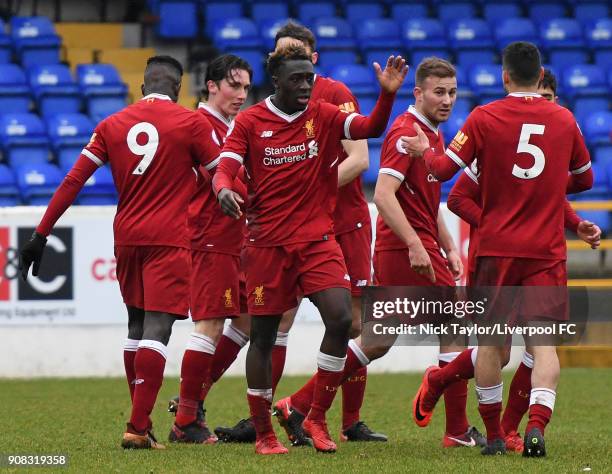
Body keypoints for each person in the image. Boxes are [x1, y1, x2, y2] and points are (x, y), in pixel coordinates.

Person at [19, 56, 221, 450]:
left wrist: (40, 235)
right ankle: (136, 426)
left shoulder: (111, 125)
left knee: (135, 327)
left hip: (126, 237)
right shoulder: (191, 122)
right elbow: (222, 175)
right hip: (169, 238)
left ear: (142, 89)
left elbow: (73, 179)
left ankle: (141, 427)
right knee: (158, 329)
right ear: (178, 90)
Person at [213, 45, 407, 454]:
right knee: (263, 337)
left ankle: (316, 416)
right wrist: (223, 189)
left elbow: (371, 127)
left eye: (309, 78)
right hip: (266, 246)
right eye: (297, 79)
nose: (306, 86)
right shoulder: (250, 121)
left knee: (340, 319)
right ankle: (264, 433)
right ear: (277, 81)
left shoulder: (324, 115)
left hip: (318, 241)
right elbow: (226, 167)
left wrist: (387, 93)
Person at [402, 42, 593, 456]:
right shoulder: (564, 119)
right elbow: (585, 179)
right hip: (544, 252)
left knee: (492, 344)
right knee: (543, 346)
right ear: (540, 77)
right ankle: (536, 427)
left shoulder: (484, 117)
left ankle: (492, 435)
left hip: (496, 251)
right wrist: (546, 188)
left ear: (505, 77)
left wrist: (421, 153)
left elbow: (441, 173)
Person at [168, 54, 252, 444]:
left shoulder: (232, 128)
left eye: (246, 88)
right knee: (210, 323)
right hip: (209, 236)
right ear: (212, 85)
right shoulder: (199, 125)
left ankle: (193, 400)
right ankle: (186, 419)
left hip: (237, 240)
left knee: (249, 320)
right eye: (234, 85)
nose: (241, 94)